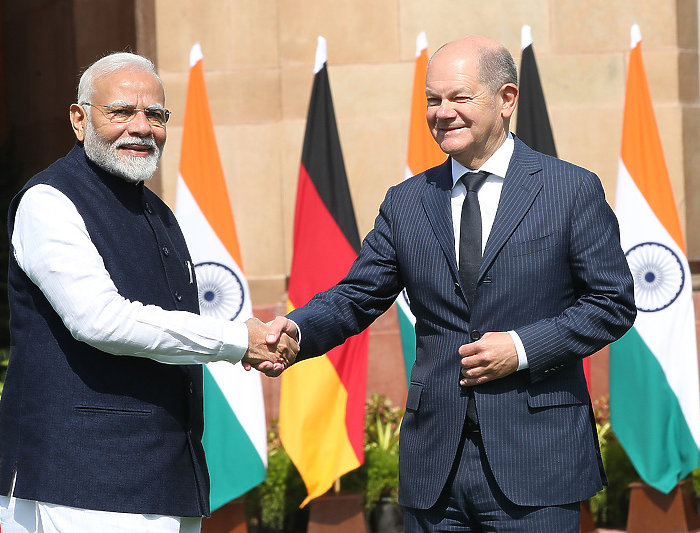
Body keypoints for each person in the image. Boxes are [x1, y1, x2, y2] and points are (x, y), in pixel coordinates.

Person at [267, 36, 635, 532]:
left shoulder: (571, 190)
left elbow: (612, 303)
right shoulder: (407, 202)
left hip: (538, 465)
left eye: (459, 97)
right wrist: (293, 331)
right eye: (432, 100)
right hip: (435, 468)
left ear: (506, 99)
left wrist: (522, 347)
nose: (443, 113)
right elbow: (358, 295)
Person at [0, 52, 296, 533]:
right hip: (81, 482)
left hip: (167, 477)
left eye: (155, 115)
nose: (141, 127)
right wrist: (239, 340)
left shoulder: (158, 213)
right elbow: (100, 320)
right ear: (79, 118)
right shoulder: (47, 201)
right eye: (121, 112)